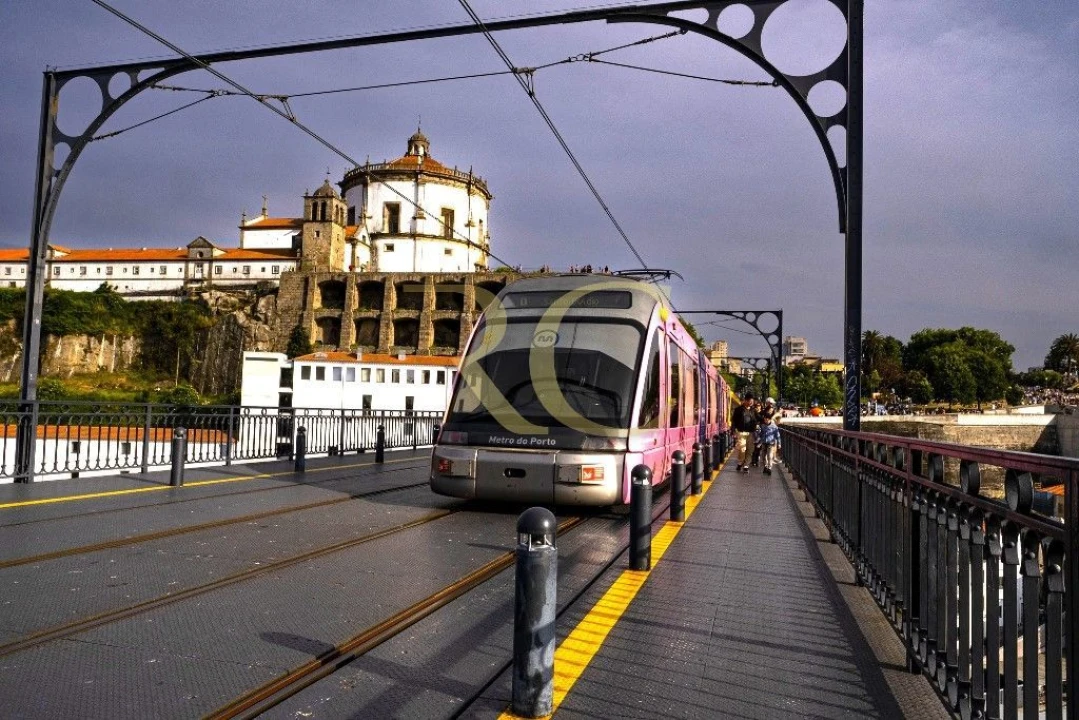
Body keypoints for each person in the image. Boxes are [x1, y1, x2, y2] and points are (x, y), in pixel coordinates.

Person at [731, 392, 759, 474]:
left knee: (750, 450)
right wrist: (733, 430)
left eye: (752, 401)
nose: (751, 402)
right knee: (742, 449)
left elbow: (760, 418)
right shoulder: (739, 409)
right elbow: (734, 421)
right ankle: (740, 462)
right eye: (750, 401)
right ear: (745, 401)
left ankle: (746, 465)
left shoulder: (753, 410)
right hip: (741, 432)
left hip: (751, 433)